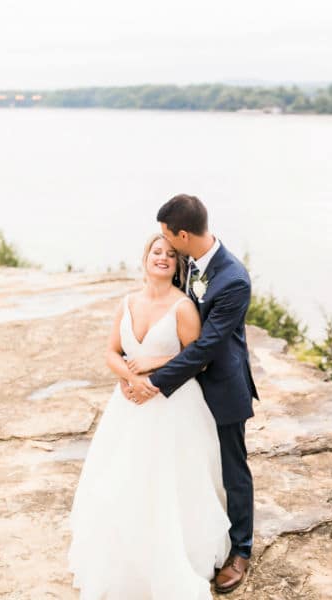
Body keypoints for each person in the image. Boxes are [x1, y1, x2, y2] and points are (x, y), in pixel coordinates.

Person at [66, 232, 231, 599]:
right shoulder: (126, 303)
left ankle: (173, 555)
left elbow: (198, 358)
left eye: (170, 255)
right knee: (124, 478)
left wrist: (154, 369)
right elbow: (112, 352)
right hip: (129, 405)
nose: (162, 258)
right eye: (156, 252)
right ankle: (127, 555)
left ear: (177, 267)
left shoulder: (183, 306)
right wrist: (129, 379)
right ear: (145, 259)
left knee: (166, 482)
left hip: (173, 407)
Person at [123, 193, 259, 594]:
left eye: (167, 235)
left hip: (221, 387)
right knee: (186, 467)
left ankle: (241, 551)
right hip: (184, 394)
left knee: (232, 470)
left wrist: (153, 376)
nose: (163, 241)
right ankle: (191, 536)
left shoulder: (233, 279)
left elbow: (206, 348)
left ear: (183, 234)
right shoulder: (189, 264)